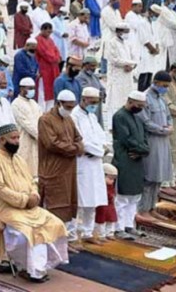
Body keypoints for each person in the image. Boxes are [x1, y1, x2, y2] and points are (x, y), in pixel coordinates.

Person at [0, 123, 69, 284]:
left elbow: (32, 181)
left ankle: (37, 266)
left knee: (54, 223)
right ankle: (32, 270)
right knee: (29, 231)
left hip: (29, 207)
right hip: (6, 209)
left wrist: (34, 195)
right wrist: (24, 200)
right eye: (13, 138)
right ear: (2, 140)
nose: (17, 141)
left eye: (18, 138)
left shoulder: (19, 159)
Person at [37, 90, 85, 244]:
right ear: (59, 103)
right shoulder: (45, 120)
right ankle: (48, 242)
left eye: (72, 107)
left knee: (67, 207)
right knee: (53, 207)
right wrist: (75, 149)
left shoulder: (69, 119)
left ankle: (62, 242)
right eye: (68, 107)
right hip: (52, 170)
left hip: (68, 170)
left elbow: (78, 138)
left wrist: (77, 147)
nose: (70, 110)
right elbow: (51, 144)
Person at [70, 87, 107, 244]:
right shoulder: (74, 116)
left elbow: (102, 137)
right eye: (92, 102)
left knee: (93, 199)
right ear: (83, 99)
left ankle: (87, 232)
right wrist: (99, 151)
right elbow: (80, 140)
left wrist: (103, 148)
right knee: (78, 201)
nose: (94, 105)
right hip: (82, 162)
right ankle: (71, 235)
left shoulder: (92, 116)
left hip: (95, 163)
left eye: (96, 102)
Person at [112, 91, 150, 239]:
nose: (140, 108)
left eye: (142, 106)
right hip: (125, 159)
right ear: (130, 101)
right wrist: (142, 149)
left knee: (134, 196)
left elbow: (145, 139)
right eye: (138, 105)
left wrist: (144, 151)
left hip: (137, 160)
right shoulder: (120, 116)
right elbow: (126, 139)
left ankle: (129, 225)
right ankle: (119, 228)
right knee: (122, 197)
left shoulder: (138, 118)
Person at [137, 71, 173, 220]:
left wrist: (169, 126)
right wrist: (161, 129)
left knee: (158, 177)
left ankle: (152, 208)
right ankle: (143, 209)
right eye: (164, 85)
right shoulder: (145, 98)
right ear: (156, 82)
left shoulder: (161, 99)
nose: (165, 88)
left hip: (163, 142)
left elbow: (169, 116)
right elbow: (145, 121)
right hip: (152, 141)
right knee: (149, 177)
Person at [11, 77, 43, 177]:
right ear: (21, 89)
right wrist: (41, 136)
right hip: (24, 142)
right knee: (23, 173)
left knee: (36, 174)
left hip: (37, 143)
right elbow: (26, 124)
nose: (32, 91)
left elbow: (41, 120)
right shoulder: (16, 104)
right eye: (29, 88)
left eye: (33, 88)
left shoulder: (34, 104)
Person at [106, 23, 137, 116]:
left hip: (128, 74)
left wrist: (132, 65)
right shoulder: (112, 43)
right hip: (117, 74)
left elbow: (134, 56)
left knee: (127, 95)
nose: (127, 34)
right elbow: (114, 59)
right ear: (119, 32)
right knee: (115, 98)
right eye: (125, 32)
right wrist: (129, 63)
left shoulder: (127, 43)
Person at [138, 5, 165, 91]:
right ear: (150, 12)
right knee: (143, 74)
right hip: (145, 52)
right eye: (155, 15)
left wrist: (157, 48)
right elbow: (144, 39)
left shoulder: (153, 24)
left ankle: (147, 93)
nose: (156, 17)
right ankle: (141, 93)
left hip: (152, 54)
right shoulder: (142, 23)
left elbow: (156, 37)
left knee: (150, 75)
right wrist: (152, 49)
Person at [36, 23, 61, 111]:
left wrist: (58, 57)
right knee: (43, 92)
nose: (49, 33)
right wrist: (55, 58)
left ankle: (49, 110)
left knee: (52, 91)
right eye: (47, 31)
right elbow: (44, 53)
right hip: (44, 69)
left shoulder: (50, 40)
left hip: (53, 69)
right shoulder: (38, 40)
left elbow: (56, 50)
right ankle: (41, 111)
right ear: (42, 30)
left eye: (50, 32)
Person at [76, 56, 106, 127]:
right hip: (88, 104)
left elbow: (101, 87)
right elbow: (86, 90)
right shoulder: (80, 77)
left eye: (95, 66)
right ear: (85, 65)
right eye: (92, 66)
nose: (94, 68)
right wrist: (96, 94)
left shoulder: (94, 76)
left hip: (97, 103)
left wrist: (102, 93)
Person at [95, 164, 119, 240]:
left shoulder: (111, 186)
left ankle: (109, 233)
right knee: (101, 221)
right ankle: (101, 234)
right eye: (110, 178)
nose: (112, 181)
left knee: (111, 220)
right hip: (102, 206)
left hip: (110, 205)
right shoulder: (99, 185)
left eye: (113, 179)